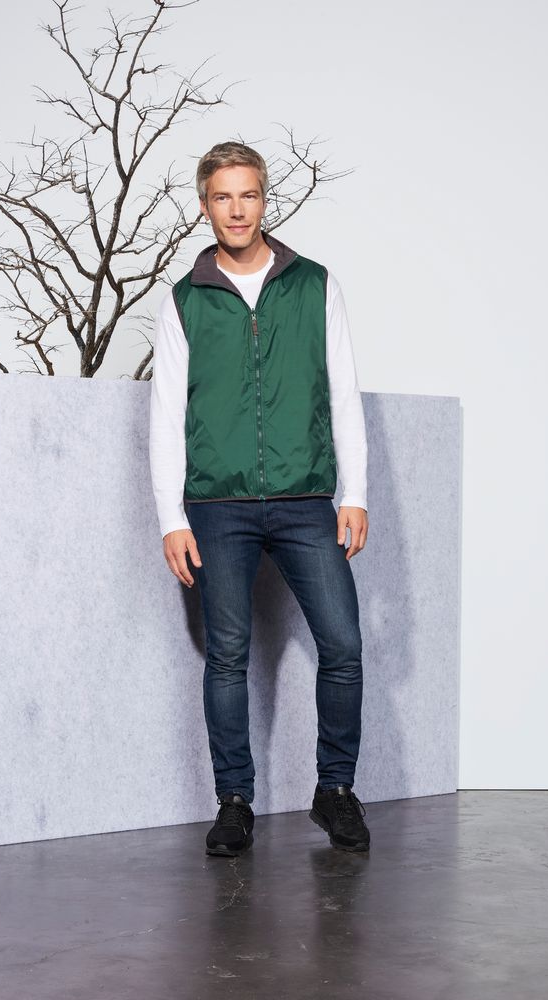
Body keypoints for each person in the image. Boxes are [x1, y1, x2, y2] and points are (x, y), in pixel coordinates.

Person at [148, 141, 370, 857]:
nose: (236, 210)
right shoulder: (185, 299)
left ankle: (335, 791)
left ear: (263, 201)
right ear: (204, 205)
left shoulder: (313, 285)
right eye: (222, 197)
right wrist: (171, 517)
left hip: (306, 498)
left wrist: (354, 493)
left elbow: (342, 392)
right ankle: (234, 802)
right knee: (227, 656)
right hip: (217, 507)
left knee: (342, 646)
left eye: (248, 195)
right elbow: (165, 415)